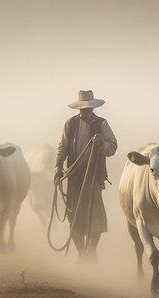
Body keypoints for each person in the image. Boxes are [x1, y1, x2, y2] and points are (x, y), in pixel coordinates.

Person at [54, 90, 117, 262]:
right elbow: (63, 146)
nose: (86, 110)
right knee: (74, 217)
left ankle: (90, 250)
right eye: (83, 108)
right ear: (79, 109)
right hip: (74, 175)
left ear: (93, 108)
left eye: (89, 107)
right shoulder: (70, 124)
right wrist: (58, 165)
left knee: (95, 216)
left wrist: (101, 143)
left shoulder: (102, 124)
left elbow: (112, 147)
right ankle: (83, 254)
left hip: (94, 177)